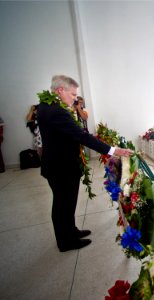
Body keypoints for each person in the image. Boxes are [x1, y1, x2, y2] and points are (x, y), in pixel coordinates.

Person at [37, 75, 133, 252]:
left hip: (58, 164)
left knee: (66, 201)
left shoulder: (46, 106)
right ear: (60, 91)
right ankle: (66, 241)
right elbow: (81, 136)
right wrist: (113, 150)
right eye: (73, 94)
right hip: (61, 167)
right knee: (62, 203)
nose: (75, 98)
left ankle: (70, 231)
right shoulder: (56, 111)